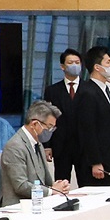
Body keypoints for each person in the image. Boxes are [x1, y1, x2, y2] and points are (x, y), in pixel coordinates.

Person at [71, 44, 110, 187]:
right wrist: (95, 161)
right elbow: (87, 130)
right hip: (99, 163)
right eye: (108, 62)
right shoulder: (87, 92)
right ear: (97, 67)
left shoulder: (107, 90)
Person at [2, 101, 71, 203]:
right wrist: (52, 191)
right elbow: (21, 186)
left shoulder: (38, 144)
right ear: (34, 124)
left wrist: (59, 186)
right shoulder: (14, 147)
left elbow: (45, 181)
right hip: (19, 205)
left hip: (38, 202)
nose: (50, 131)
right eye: (49, 127)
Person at [42, 48, 85, 186]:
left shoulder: (89, 89)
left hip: (84, 146)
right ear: (62, 66)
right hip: (61, 146)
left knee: (86, 184)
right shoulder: (52, 91)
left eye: (77, 62)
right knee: (61, 184)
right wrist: (47, 145)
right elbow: (46, 119)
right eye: (70, 62)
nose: (74, 65)